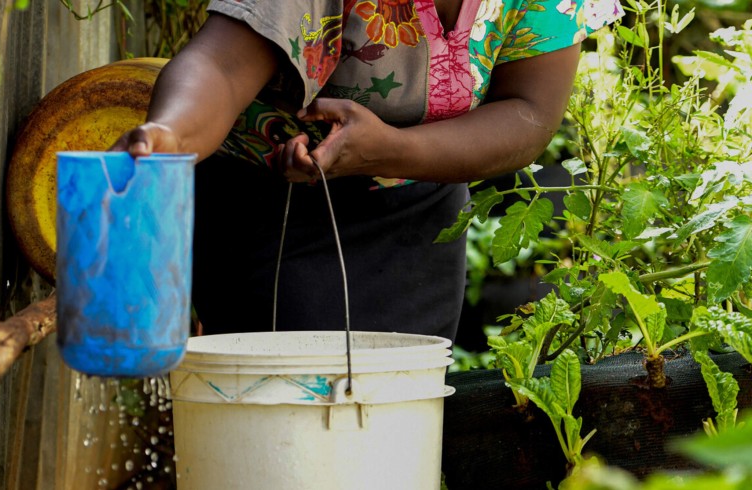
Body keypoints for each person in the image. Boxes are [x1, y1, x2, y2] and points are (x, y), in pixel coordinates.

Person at [111, 0, 624, 342]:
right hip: (271, 211)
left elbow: (529, 111)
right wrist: (170, 135)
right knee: (284, 426)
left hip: (417, 222)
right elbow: (222, 65)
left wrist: (392, 150)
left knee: (393, 421)